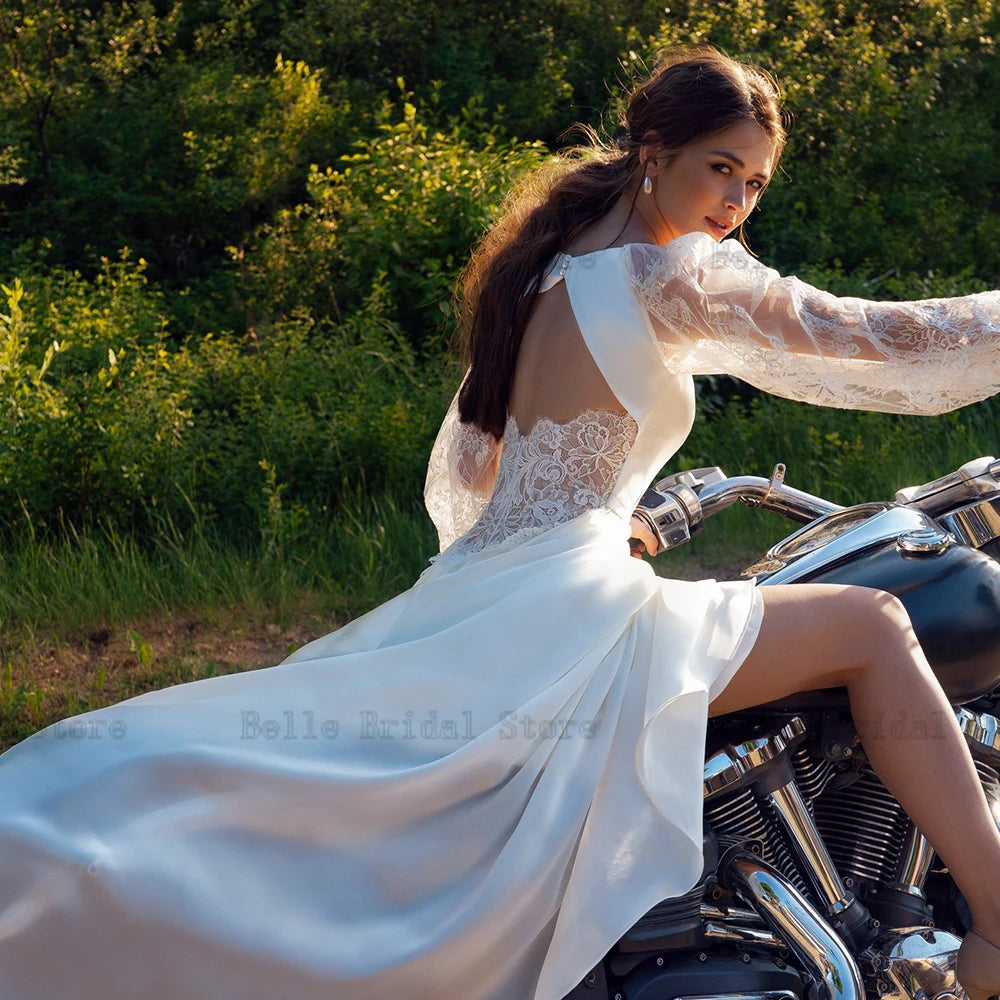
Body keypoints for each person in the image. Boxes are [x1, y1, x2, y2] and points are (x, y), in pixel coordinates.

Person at [1, 46, 1000, 1000]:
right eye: (720, 170)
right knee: (874, 626)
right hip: (568, 591)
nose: (734, 203)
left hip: (493, 579)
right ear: (654, 155)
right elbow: (879, 340)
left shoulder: (547, 267)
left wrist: (614, 523)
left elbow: (483, 471)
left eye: (754, 184)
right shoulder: (673, 274)